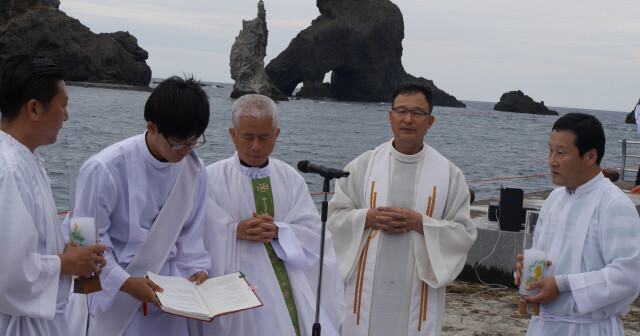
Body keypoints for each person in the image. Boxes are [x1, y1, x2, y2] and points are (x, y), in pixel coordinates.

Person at [327, 82, 476, 336]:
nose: (408, 119)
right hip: (365, 290)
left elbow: (463, 233)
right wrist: (368, 217)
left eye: (418, 113)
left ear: (430, 121)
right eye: (401, 111)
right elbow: (334, 219)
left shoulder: (450, 175)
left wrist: (420, 223)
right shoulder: (362, 166)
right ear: (390, 116)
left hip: (416, 289)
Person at [70, 76, 211, 336]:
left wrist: (197, 270)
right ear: (152, 127)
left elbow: (191, 235)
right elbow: (83, 240)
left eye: (194, 142)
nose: (186, 151)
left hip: (169, 296)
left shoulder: (194, 170)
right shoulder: (103, 168)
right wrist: (125, 283)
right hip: (114, 294)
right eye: (179, 142)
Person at [203, 94, 344, 336]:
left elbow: (315, 236)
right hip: (232, 286)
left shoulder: (290, 178)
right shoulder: (209, 178)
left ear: (276, 135)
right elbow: (191, 233)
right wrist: (234, 230)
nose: (256, 146)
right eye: (248, 137)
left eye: (264, 137)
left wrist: (281, 231)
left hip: (285, 287)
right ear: (233, 135)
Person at [0, 55, 106, 335]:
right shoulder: (10, 168)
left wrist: (69, 255)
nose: (66, 117)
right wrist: (69, 262)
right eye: (63, 106)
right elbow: (8, 272)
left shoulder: (24, 159)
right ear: (34, 109)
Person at [515, 113, 640, 335]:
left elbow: (627, 277)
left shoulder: (614, 204)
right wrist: (530, 271)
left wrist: (563, 284)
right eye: (550, 150)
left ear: (591, 156)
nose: (551, 160)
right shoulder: (554, 199)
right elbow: (544, 257)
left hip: (588, 328)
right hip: (543, 325)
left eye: (561, 153)